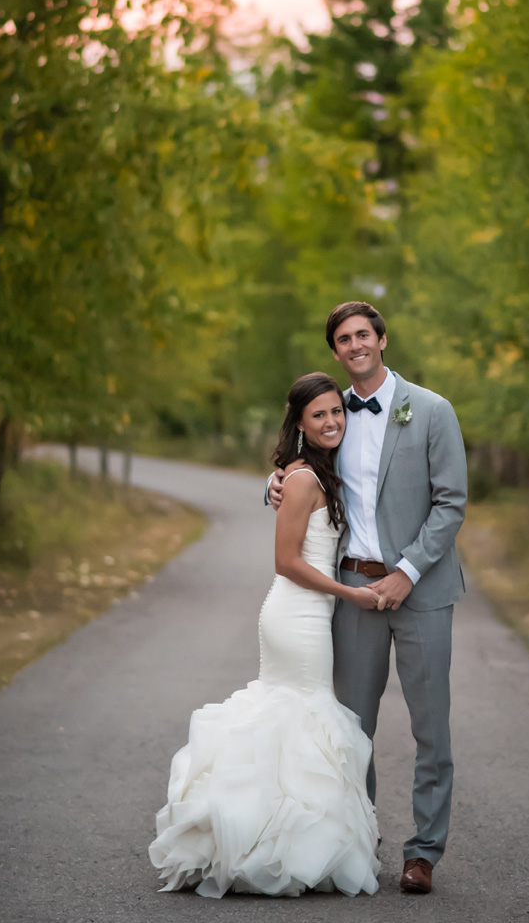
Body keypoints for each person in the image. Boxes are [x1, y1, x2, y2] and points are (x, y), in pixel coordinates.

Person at [149, 372, 381, 899]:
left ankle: (287, 843)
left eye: (336, 412)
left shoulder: (314, 472)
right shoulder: (302, 478)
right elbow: (286, 561)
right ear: (299, 422)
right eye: (318, 415)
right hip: (296, 615)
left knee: (295, 721)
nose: (331, 422)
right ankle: (269, 847)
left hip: (311, 613)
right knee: (299, 716)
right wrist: (353, 596)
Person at [267, 302, 467, 895]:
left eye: (363, 335)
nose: (355, 345)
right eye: (343, 339)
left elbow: (451, 502)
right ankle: (359, 839)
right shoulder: (335, 415)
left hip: (422, 589)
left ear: (382, 339)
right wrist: (274, 481)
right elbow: (303, 471)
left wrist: (407, 571)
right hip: (354, 588)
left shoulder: (431, 410)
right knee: (352, 727)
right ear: (335, 351)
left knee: (431, 728)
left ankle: (423, 853)